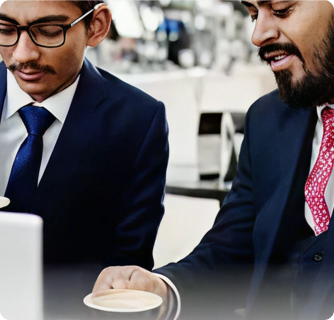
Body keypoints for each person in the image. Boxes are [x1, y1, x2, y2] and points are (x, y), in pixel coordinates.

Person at [92, 1, 334, 320]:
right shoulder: (267, 121)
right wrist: (162, 291)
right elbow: (233, 251)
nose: (258, 34)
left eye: (282, 9)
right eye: (252, 15)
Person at [0, 0, 169, 269]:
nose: (22, 54)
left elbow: (126, 264)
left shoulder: (137, 121)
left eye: (49, 30)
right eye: (6, 29)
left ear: (96, 26)